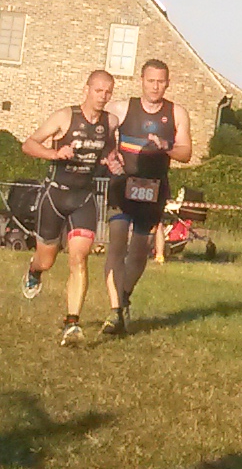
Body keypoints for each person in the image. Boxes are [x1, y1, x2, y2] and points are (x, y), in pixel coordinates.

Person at [20, 69, 117, 344]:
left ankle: (72, 323)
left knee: (79, 258)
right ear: (87, 89)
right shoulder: (65, 116)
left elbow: (109, 149)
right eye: (98, 90)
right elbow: (29, 144)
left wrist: (111, 159)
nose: (102, 96)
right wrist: (54, 153)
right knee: (47, 260)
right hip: (55, 196)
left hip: (84, 199)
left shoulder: (110, 122)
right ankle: (34, 271)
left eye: (108, 92)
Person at [102, 56, 192, 338]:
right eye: (150, 81)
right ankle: (115, 312)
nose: (155, 87)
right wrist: (109, 154)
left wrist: (166, 146)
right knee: (117, 244)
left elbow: (186, 153)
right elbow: (99, 131)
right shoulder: (121, 108)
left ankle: (124, 297)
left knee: (140, 250)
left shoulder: (177, 113)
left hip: (153, 188)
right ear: (141, 81)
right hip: (122, 185)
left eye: (160, 82)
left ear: (167, 84)